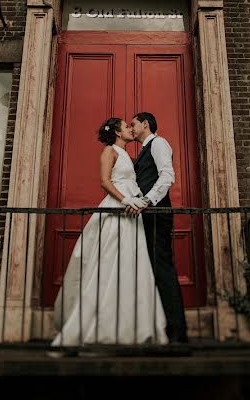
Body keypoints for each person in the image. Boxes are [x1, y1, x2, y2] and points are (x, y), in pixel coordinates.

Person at [51, 117, 168, 347]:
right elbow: (105, 182)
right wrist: (126, 200)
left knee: (130, 264)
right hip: (118, 207)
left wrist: (137, 201)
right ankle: (98, 326)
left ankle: (130, 326)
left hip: (132, 210)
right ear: (116, 131)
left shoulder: (127, 155)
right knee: (108, 261)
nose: (130, 129)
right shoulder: (109, 151)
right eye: (126, 126)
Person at [128, 112, 188, 343]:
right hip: (148, 215)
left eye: (133, 124)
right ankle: (160, 327)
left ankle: (177, 332)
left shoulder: (159, 143)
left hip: (157, 214)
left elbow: (167, 176)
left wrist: (147, 201)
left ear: (145, 124)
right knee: (152, 269)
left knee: (162, 269)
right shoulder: (144, 149)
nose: (131, 129)